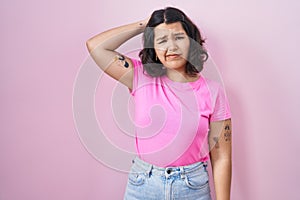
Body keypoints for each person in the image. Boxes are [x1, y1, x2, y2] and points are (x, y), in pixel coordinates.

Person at [86, 7, 232, 200]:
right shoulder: (139, 76)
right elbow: (96, 46)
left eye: (179, 37)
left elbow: (221, 157)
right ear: (153, 47)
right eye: (162, 40)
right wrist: (142, 25)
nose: (171, 47)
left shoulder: (213, 92)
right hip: (143, 186)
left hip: (192, 188)